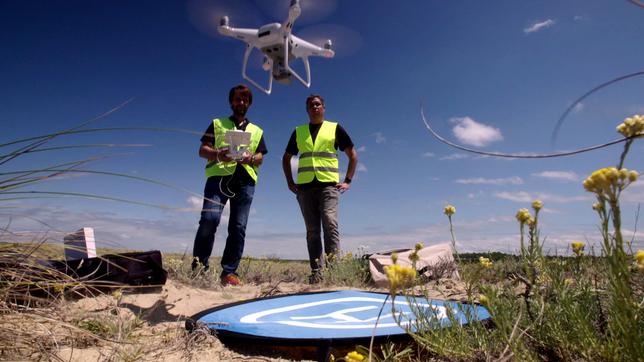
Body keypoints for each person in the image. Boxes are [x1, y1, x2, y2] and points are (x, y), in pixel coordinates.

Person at [192, 84, 267, 286]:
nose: (241, 102)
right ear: (231, 102)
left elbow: (261, 156)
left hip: (245, 182)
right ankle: (199, 269)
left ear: (249, 104)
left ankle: (229, 273)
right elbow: (202, 150)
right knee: (209, 219)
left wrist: (251, 158)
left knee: (238, 227)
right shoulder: (217, 123)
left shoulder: (257, 130)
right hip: (218, 178)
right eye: (237, 99)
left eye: (245, 100)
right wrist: (217, 154)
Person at [282, 94, 358, 284]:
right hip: (305, 189)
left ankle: (334, 273)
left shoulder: (334, 128)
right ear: (307, 110)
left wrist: (347, 180)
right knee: (312, 231)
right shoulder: (298, 131)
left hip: (328, 187)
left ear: (323, 107)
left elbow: (353, 155)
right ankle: (317, 273)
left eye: (318, 104)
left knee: (330, 225)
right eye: (311, 105)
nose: (315, 108)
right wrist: (290, 183)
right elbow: (286, 157)